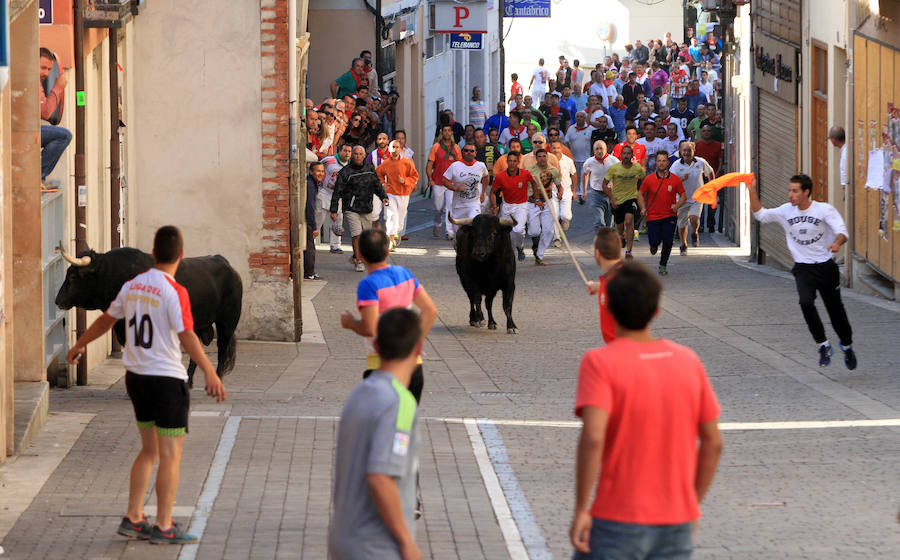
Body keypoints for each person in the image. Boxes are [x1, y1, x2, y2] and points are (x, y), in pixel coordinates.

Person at [66, 226, 227, 545]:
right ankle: (164, 525)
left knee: (149, 450)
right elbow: (188, 336)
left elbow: (104, 321)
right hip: (166, 381)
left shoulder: (132, 286)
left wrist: (80, 344)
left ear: (154, 254)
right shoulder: (175, 290)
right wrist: (209, 370)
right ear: (180, 256)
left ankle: (134, 516)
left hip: (136, 379)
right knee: (170, 455)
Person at [570, 261, 723, 560]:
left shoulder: (599, 362)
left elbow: (593, 439)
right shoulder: (688, 361)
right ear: (656, 311)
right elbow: (713, 443)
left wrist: (580, 509)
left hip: (617, 517)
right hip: (675, 521)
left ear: (609, 308)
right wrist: (692, 503)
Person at [329, 308, 426, 560]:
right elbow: (380, 477)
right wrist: (406, 542)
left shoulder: (360, 393)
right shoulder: (400, 403)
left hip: (343, 539)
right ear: (418, 349)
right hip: (377, 545)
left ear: (375, 345)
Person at [746, 174, 858, 369]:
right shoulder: (785, 211)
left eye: (795, 191)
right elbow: (761, 215)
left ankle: (847, 346)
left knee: (835, 310)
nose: (791, 195)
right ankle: (823, 345)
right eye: (790, 190)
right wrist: (751, 191)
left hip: (825, 266)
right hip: (803, 268)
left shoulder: (824, 210)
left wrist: (837, 243)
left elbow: (843, 232)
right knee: (806, 302)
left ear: (806, 192)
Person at [330, 146, 390, 271]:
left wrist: (383, 197)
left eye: (360, 154)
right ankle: (358, 261)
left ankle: (358, 255)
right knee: (356, 234)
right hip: (351, 208)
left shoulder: (369, 168)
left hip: (367, 207)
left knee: (365, 236)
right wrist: (334, 210)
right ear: (353, 155)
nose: (357, 156)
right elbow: (337, 191)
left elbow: (377, 184)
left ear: (364, 156)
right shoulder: (346, 172)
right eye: (355, 153)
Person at [640, 151, 686, 275]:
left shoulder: (675, 179)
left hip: (669, 215)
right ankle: (654, 245)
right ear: (656, 162)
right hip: (653, 216)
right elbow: (640, 193)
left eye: (664, 161)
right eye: (659, 161)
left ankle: (663, 265)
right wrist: (643, 208)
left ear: (667, 162)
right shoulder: (649, 179)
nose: (661, 163)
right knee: (654, 242)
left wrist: (677, 205)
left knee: (668, 240)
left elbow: (683, 195)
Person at [670, 142, 714, 255]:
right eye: (684, 150)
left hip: (697, 196)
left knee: (694, 218)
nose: (686, 153)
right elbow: (670, 182)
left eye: (689, 150)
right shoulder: (675, 165)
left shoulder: (700, 162)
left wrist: (711, 185)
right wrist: (681, 179)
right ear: (680, 151)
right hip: (681, 198)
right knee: (682, 224)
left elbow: (710, 172)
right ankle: (683, 244)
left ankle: (694, 233)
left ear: (693, 151)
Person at [603, 145, 646, 259]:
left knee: (629, 222)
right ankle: (621, 237)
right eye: (624, 153)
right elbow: (604, 184)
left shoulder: (637, 168)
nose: (626, 156)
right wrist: (611, 198)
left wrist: (641, 195)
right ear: (621, 155)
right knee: (620, 228)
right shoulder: (614, 168)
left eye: (628, 153)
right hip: (617, 200)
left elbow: (645, 182)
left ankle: (628, 251)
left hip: (631, 198)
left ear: (632, 155)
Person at [491, 151, 535, 261]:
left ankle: (520, 247)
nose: (512, 163)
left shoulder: (525, 173)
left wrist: (535, 196)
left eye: (514, 161)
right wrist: (494, 205)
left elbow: (534, 182)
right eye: (510, 161)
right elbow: (492, 192)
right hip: (507, 206)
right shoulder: (500, 176)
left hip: (521, 206)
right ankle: (509, 256)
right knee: (507, 233)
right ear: (507, 162)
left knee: (518, 230)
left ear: (518, 162)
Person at [39, 48, 71, 191]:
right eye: (43, 68)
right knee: (64, 136)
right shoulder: (31, 80)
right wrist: (58, 88)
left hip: (24, 130)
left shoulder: (37, 81)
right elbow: (46, 112)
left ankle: (39, 176)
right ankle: (38, 176)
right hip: (18, 132)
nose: (46, 73)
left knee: (62, 135)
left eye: (49, 69)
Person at [377, 141, 419, 251]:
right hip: (390, 193)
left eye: (397, 147)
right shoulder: (386, 163)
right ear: (389, 149)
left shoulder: (407, 162)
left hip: (404, 194)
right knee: (391, 216)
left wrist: (404, 180)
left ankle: (397, 232)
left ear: (400, 149)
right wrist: (383, 183)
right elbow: (378, 174)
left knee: (401, 217)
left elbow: (415, 176)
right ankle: (390, 240)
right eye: (393, 147)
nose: (395, 149)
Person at [443, 143, 489, 241]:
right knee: (457, 236)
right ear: (463, 153)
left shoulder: (481, 166)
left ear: (475, 153)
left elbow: (486, 177)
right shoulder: (455, 166)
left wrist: (483, 192)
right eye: (466, 150)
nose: (469, 153)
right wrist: (455, 188)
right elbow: (444, 180)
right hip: (458, 206)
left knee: (475, 225)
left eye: (471, 151)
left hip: (474, 204)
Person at [585, 228, 623, 343]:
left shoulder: (618, 284)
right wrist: (599, 286)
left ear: (597, 253)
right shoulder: (620, 277)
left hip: (621, 353)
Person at [425, 124, 462, 238]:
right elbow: (430, 164)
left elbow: (460, 165)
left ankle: (449, 232)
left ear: (451, 133)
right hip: (438, 181)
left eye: (448, 131)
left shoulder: (456, 148)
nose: (447, 133)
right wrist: (430, 178)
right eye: (444, 131)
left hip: (451, 182)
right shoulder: (436, 147)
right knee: (438, 207)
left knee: (450, 207)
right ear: (442, 133)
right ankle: (437, 223)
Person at [320, 144, 352, 255]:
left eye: (349, 151)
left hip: (338, 197)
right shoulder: (329, 160)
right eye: (345, 150)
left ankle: (335, 245)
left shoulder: (351, 165)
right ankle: (310, 242)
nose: (347, 153)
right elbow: (317, 167)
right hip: (325, 193)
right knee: (319, 219)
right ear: (340, 151)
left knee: (338, 221)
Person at [528, 163, 561, 266]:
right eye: (540, 156)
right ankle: (536, 244)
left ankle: (540, 255)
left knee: (549, 231)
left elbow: (559, 185)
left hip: (548, 202)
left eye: (544, 156)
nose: (542, 158)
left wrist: (560, 192)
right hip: (533, 203)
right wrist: (536, 199)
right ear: (536, 159)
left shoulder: (553, 170)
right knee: (534, 232)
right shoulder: (530, 170)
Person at [582, 140, 619, 230]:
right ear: (593, 151)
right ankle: (599, 241)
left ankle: (607, 242)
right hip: (596, 194)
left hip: (610, 194)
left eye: (601, 148)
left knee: (609, 223)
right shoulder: (589, 162)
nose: (599, 151)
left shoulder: (614, 161)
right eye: (597, 149)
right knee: (599, 221)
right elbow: (585, 174)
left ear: (606, 149)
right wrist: (584, 191)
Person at [694, 125, 724, 232]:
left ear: (712, 132)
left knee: (712, 203)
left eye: (709, 131)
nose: (706, 133)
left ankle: (711, 224)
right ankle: (700, 225)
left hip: (713, 179)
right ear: (701, 132)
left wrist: (716, 174)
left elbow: (720, 162)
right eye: (704, 131)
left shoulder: (718, 145)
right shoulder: (696, 146)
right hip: (699, 179)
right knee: (700, 203)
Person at [565, 111, 595, 204]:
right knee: (576, 176)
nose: (579, 118)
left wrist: (592, 154)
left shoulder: (591, 129)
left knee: (583, 176)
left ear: (585, 118)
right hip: (574, 158)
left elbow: (593, 142)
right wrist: (569, 153)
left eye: (581, 116)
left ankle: (582, 195)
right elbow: (566, 141)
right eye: (577, 116)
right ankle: (577, 193)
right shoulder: (571, 129)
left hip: (586, 158)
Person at [550, 139, 577, 233]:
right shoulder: (547, 161)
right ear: (550, 149)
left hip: (566, 190)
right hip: (552, 191)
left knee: (565, 216)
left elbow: (574, 174)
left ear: (562, 148)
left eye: (558, 148)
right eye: (554, 148)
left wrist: (574, 190)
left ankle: (564, 222)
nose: (556, 150)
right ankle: (557, 238)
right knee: (555, 216)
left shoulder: (568, 161)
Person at [305, 162, 325, 280]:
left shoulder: (312, 183)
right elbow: (310, 206)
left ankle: (309, 272)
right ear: (311, 172)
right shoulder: (310, 185)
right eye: (318, 171)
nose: (321, 173)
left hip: (307, 219)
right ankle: (309, 272)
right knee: (310, 247)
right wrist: (314, 226)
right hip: (307, 221)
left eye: (322, 171)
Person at [829, 126, 848, 192]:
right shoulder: (846, 151)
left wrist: (845, 189)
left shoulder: (845, 154)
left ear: (833, 139)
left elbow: (845, 174)